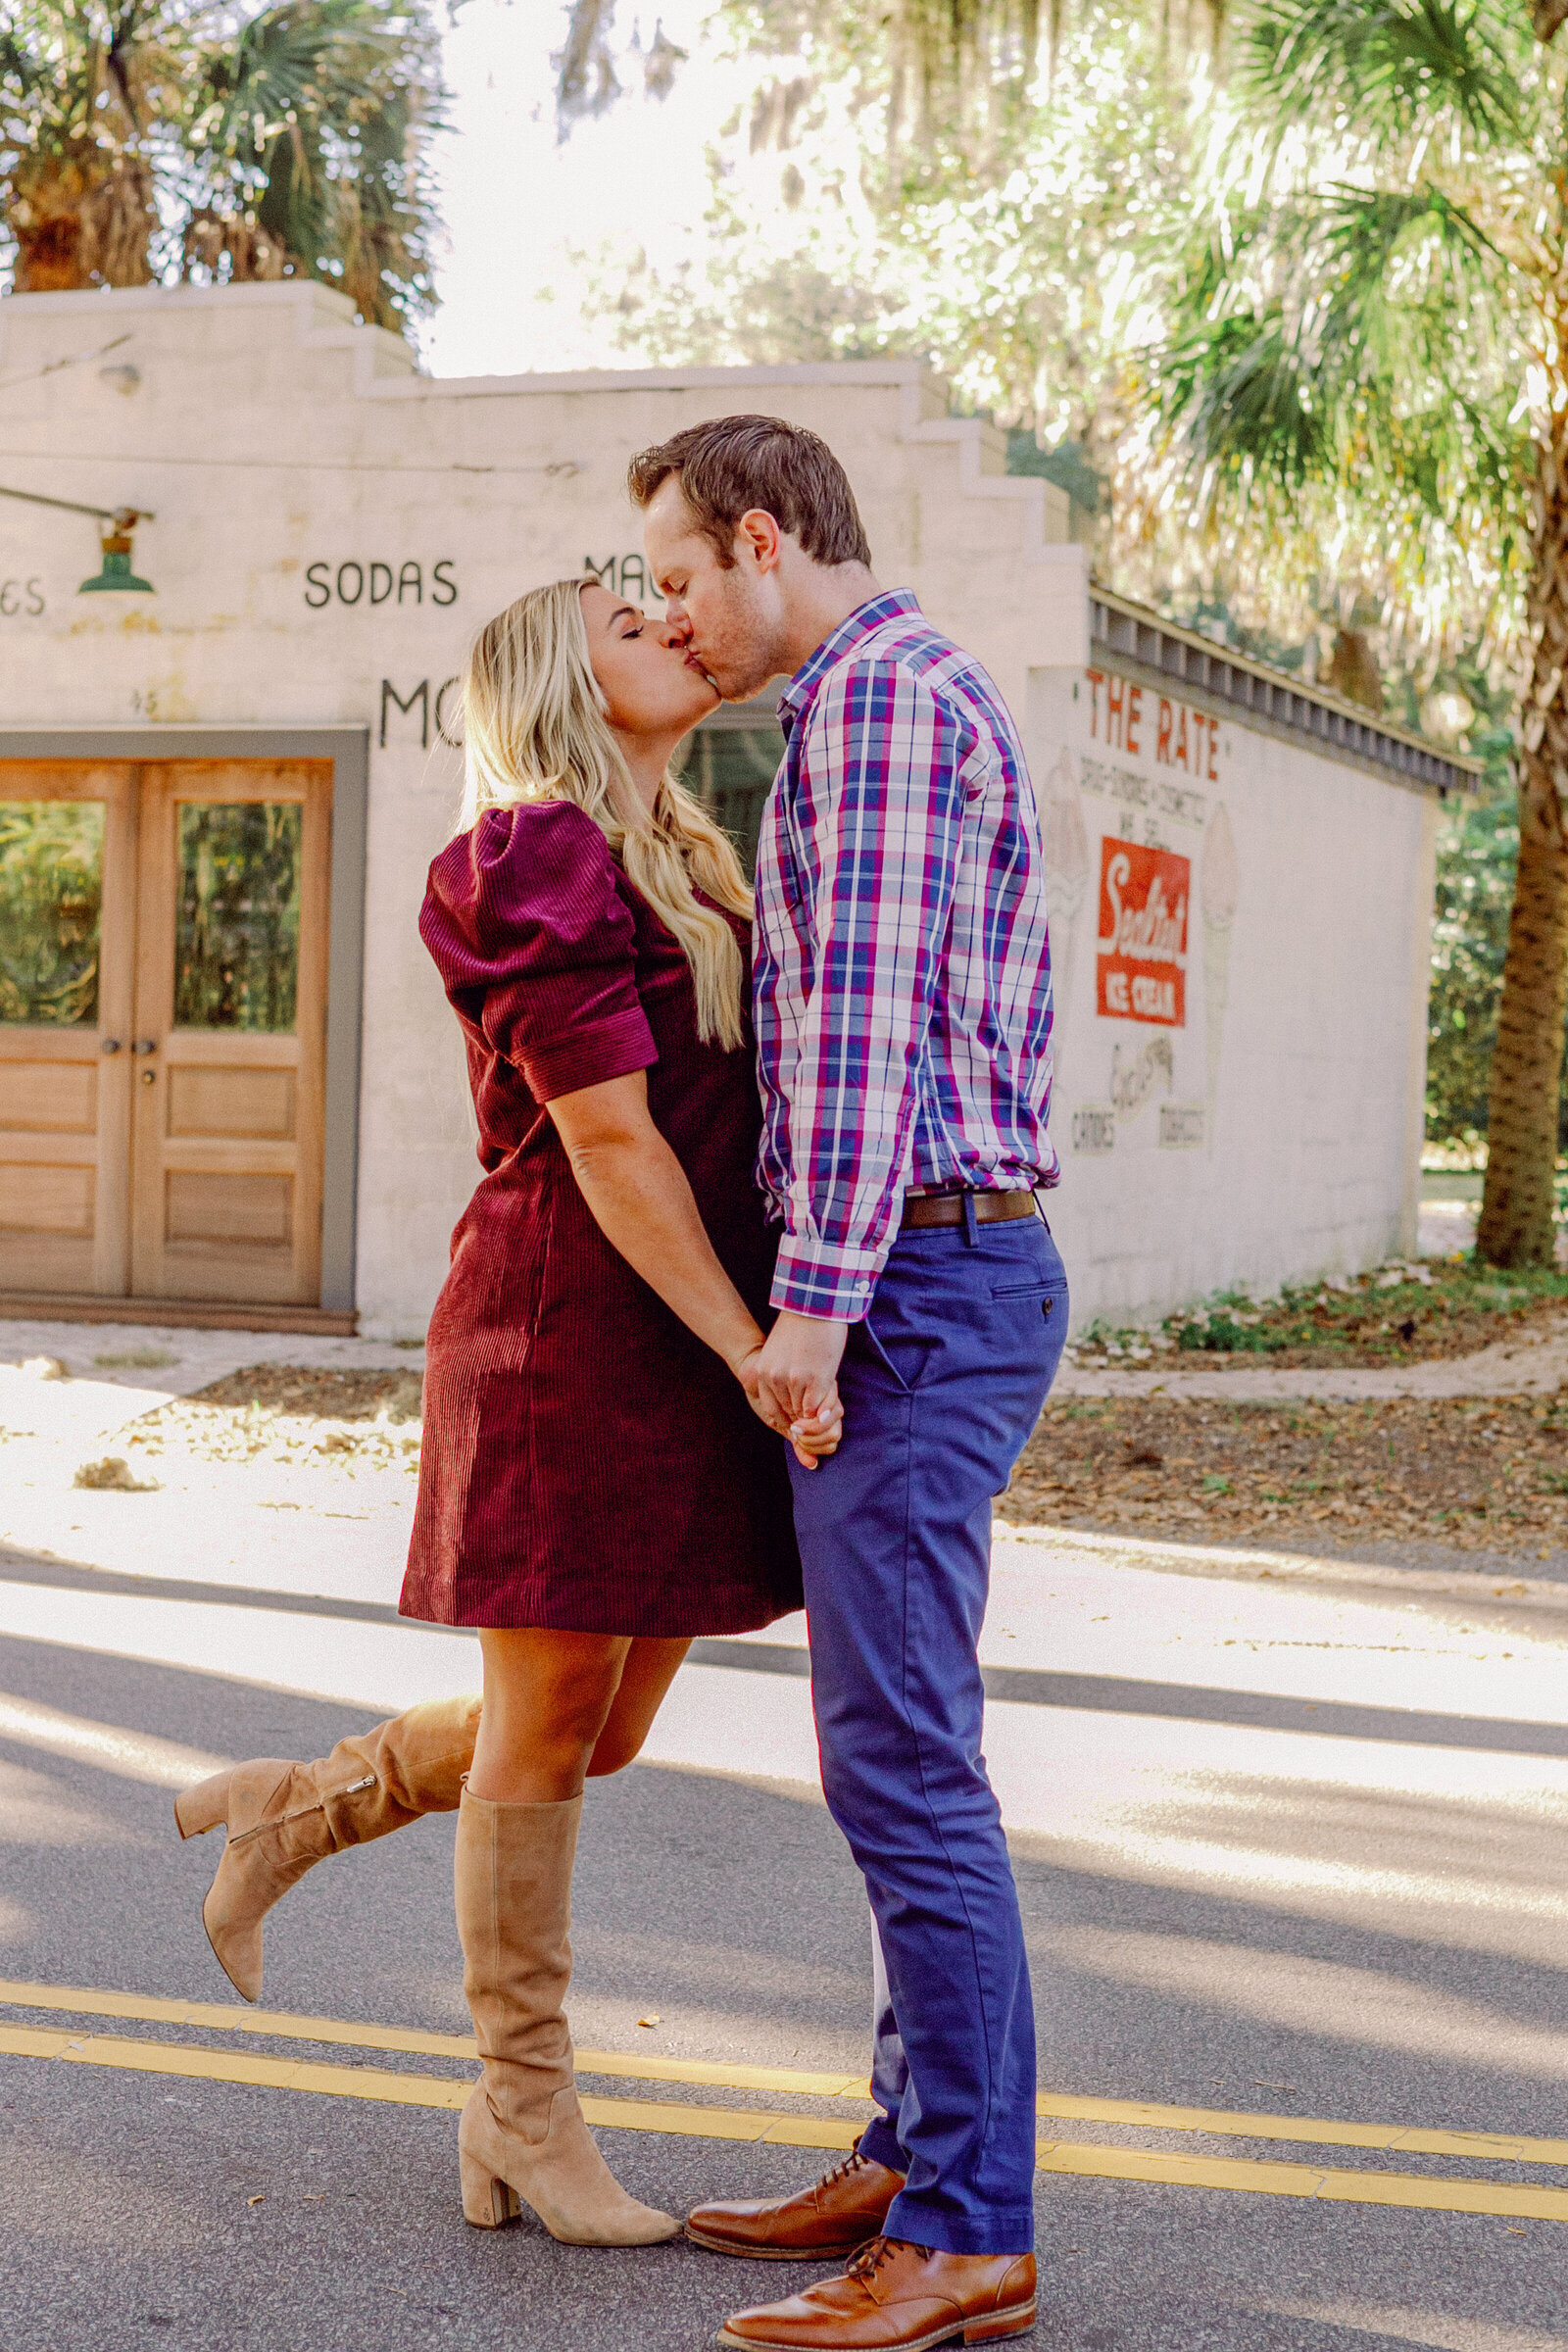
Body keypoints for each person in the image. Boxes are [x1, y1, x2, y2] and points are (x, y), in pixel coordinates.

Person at [174, 575, 840, 2251]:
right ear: (558, 677)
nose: (673, 628)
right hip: (572, 1332)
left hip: (681, 1331)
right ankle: (522, 2110)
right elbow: (610, 1143)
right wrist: (757, 1345)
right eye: (629, 620)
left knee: (598, 1736)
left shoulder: (687, 850)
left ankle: (295, 1808)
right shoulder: (530, 853)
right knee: (549, 1736)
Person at [631, 416, 1068, 2351]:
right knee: (897, 1743)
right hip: (932, 1273)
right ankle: (908, 2153)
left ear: (756, 538)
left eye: (672, 575)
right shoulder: (883, 695)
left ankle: (968, 2226)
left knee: (901, 1764)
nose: (666, 616)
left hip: (915, 1286)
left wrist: (808, 1319)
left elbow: (872, 1042)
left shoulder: (878, 709)